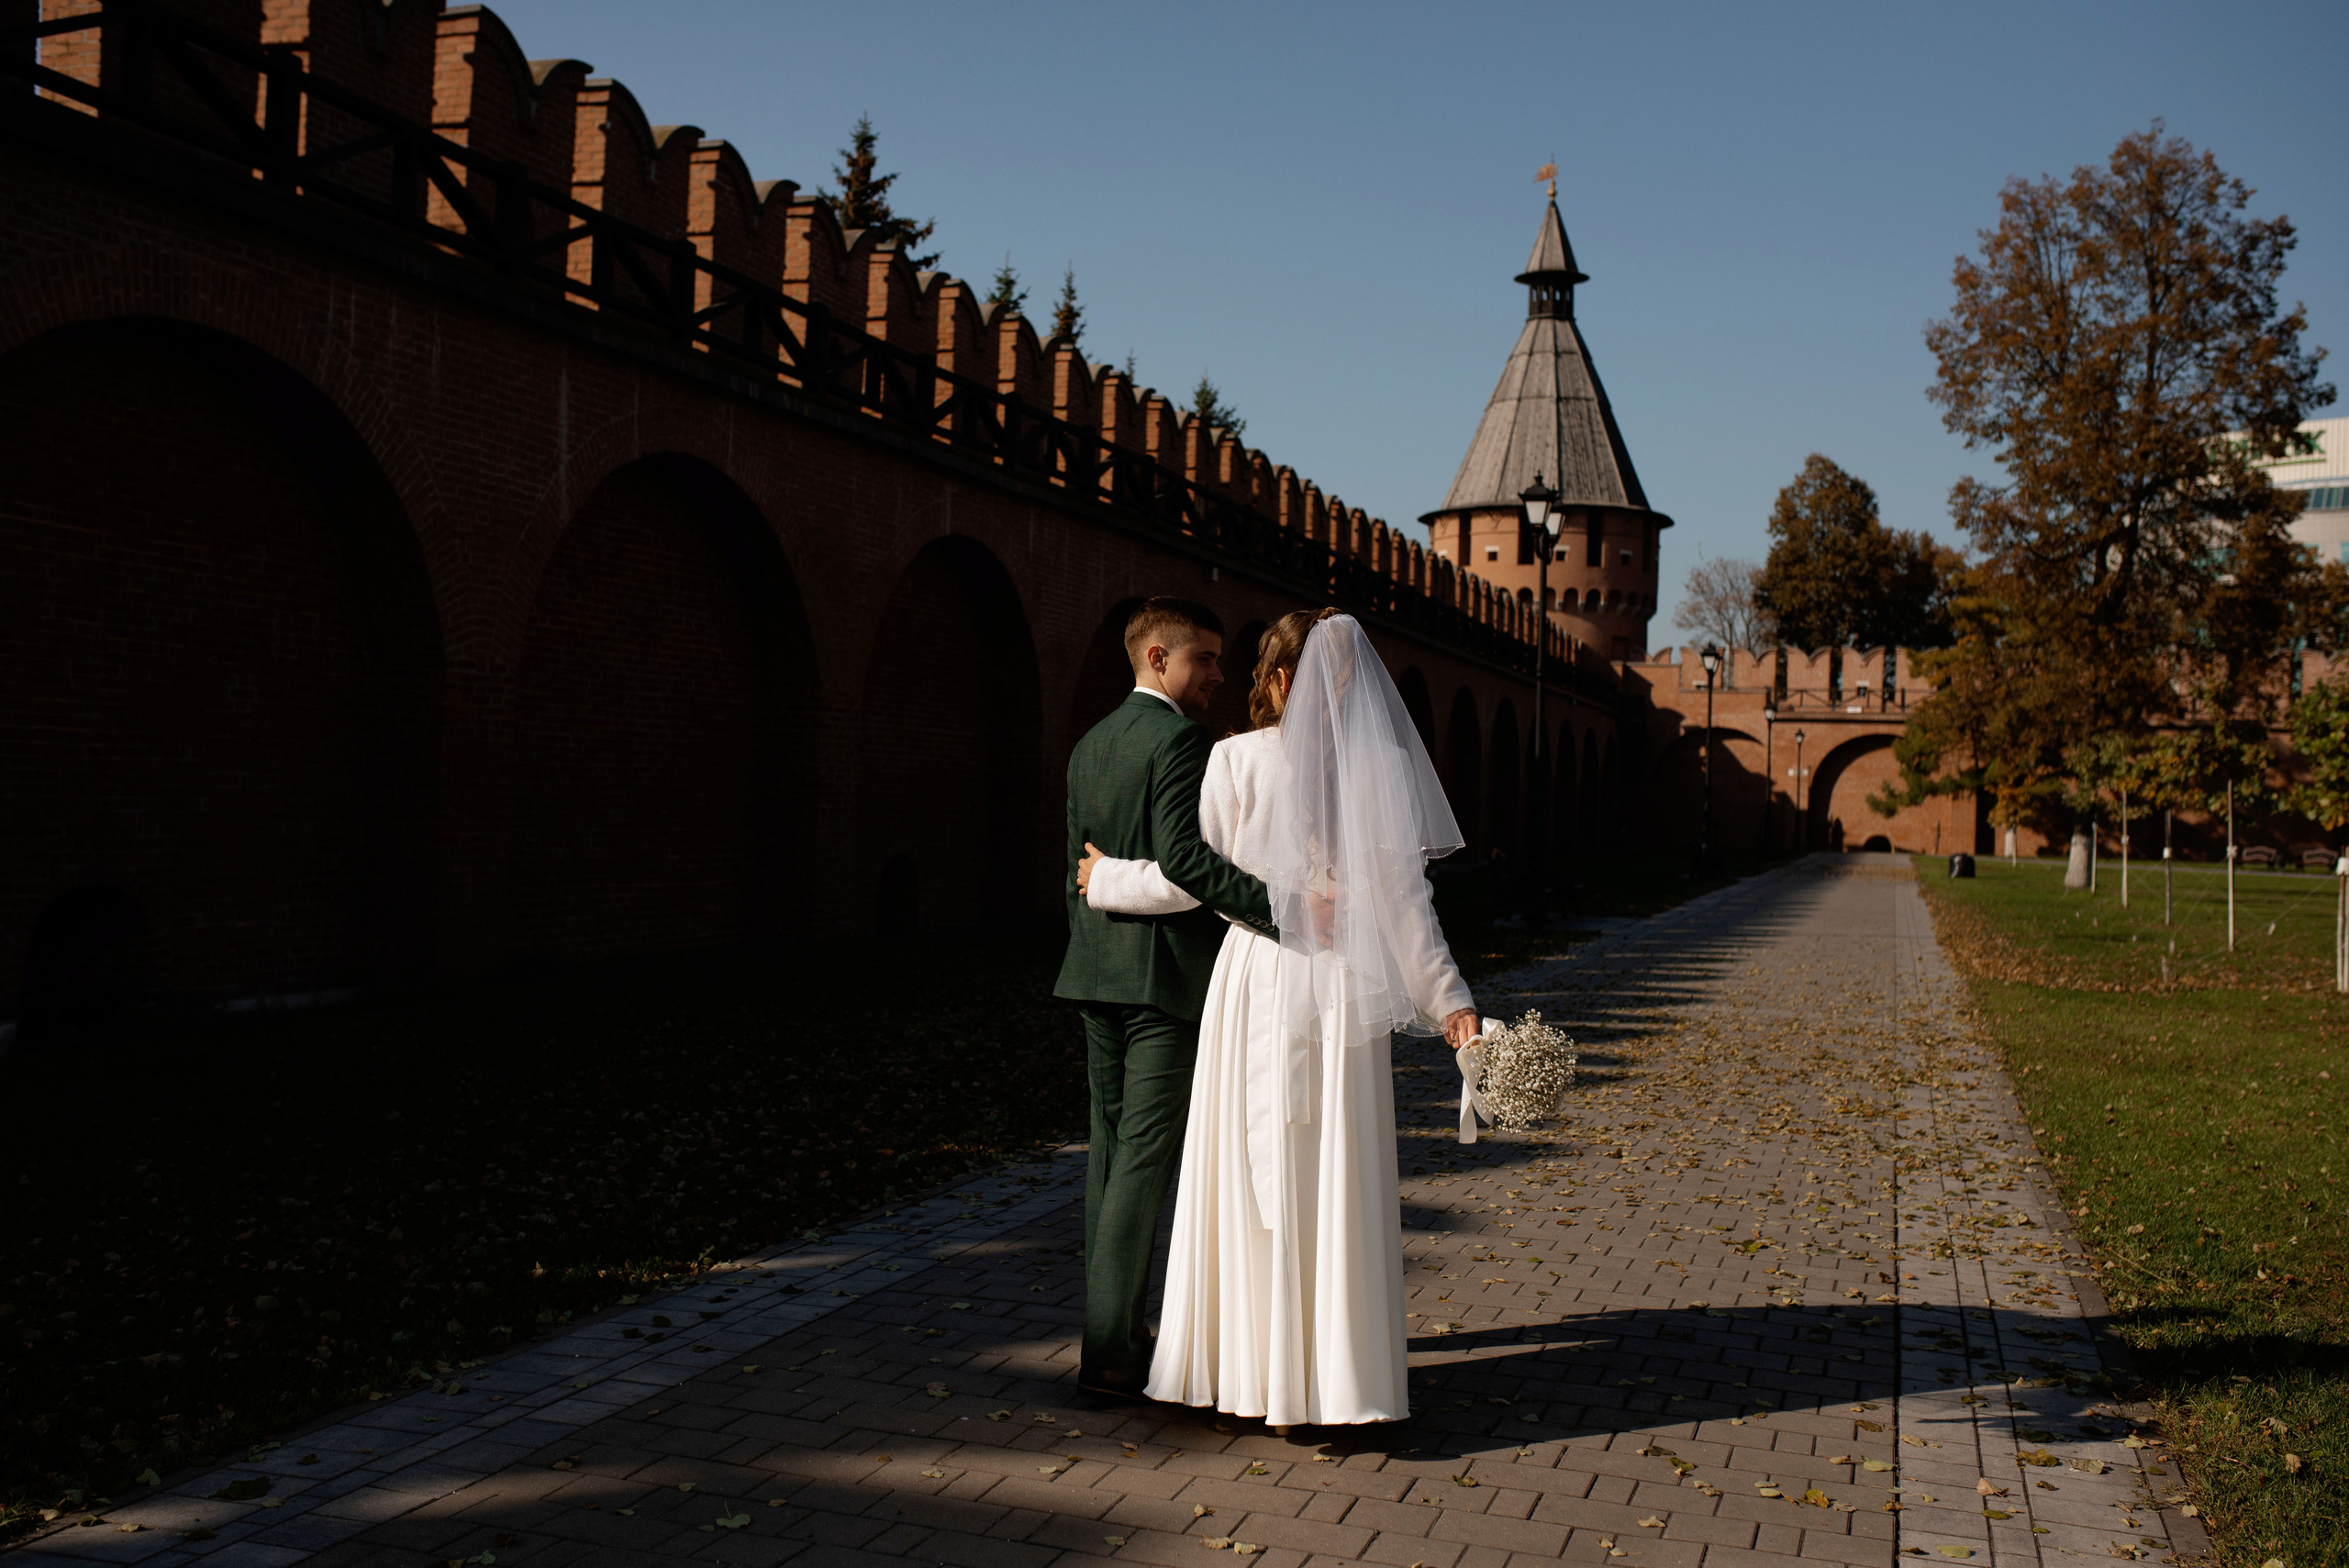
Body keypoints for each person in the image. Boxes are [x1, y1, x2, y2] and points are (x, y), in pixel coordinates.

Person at [1076, 608, 1476, 1432]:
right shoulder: (1306, 767)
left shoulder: (1254, 760)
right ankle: (1302, 1380)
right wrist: (1452, 1000)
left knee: (1277, 1175)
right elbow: (1402, 912)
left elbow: (1196, 880)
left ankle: (1271, 1378)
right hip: (1304, 989)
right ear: (1306, 683)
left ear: (1274, 681)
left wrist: (1106, 876)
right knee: (1295, 1175)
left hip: (1277, 981)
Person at [1052, 597, 1277, 1398]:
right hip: (1160, 983)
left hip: (1094, 974)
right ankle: (1110, 1352)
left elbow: (1072, 874)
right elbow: (1186, 861)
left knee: (1111, 1156)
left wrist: (1089, 941)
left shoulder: (1089, 743)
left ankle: (1113, 1332)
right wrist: (1281, 910)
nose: (1219, 674)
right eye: (1204, 659)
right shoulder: (1180, 740)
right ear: (1157, 658)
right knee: (1142, 1161)